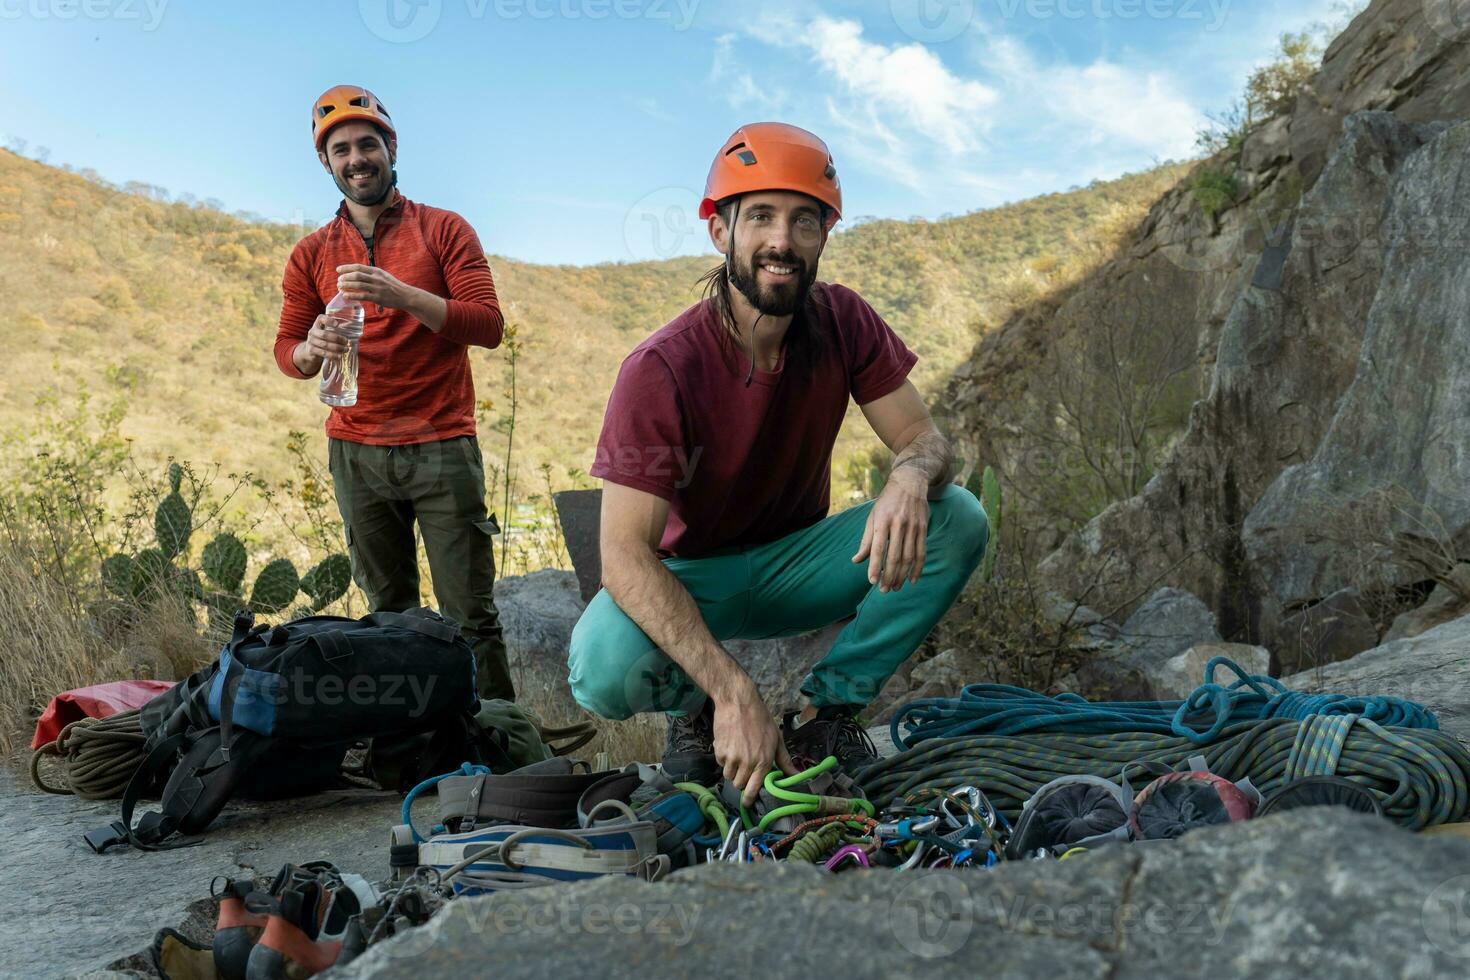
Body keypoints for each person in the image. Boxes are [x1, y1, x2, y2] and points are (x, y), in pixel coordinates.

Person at [568, 122, 989, 805]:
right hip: (693, 575)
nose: (781, 242)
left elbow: (926, 439)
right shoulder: (661, 368)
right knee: (601, 665)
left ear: (824, 235)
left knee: (959, 518)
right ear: (720, 232)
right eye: (760, 216)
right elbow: (622, 556)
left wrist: (910, 474)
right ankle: (701, 713)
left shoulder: (845, 321)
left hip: (801, 564)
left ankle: (827, 717)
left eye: (804, 222)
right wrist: (734, 689)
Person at [272, 85, 514, 701]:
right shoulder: (310, 254)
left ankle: (497, 740)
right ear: (325, 164)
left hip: (442, 446)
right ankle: (414, 741)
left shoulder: (443, 229)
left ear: (391, 147)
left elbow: (486, 325)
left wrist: (400, 293)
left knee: (470, 617)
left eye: (367, 144)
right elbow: (286, 353)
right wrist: (312, 347)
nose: (357, 158)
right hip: (355, 452)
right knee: (390, 615)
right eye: (341, 149)